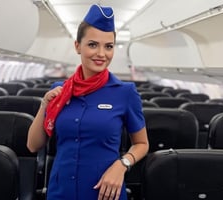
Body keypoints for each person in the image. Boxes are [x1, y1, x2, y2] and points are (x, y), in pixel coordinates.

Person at [27, 4, 149, 200]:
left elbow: (142, 144)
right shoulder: (59, 91)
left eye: (108, 46)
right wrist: (44, 106)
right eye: (93, 44)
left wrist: (122, 165)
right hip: (61, 190)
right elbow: (33, 145)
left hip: (104, 191)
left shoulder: (125, 93)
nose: (101, 53)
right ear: (78, 46)